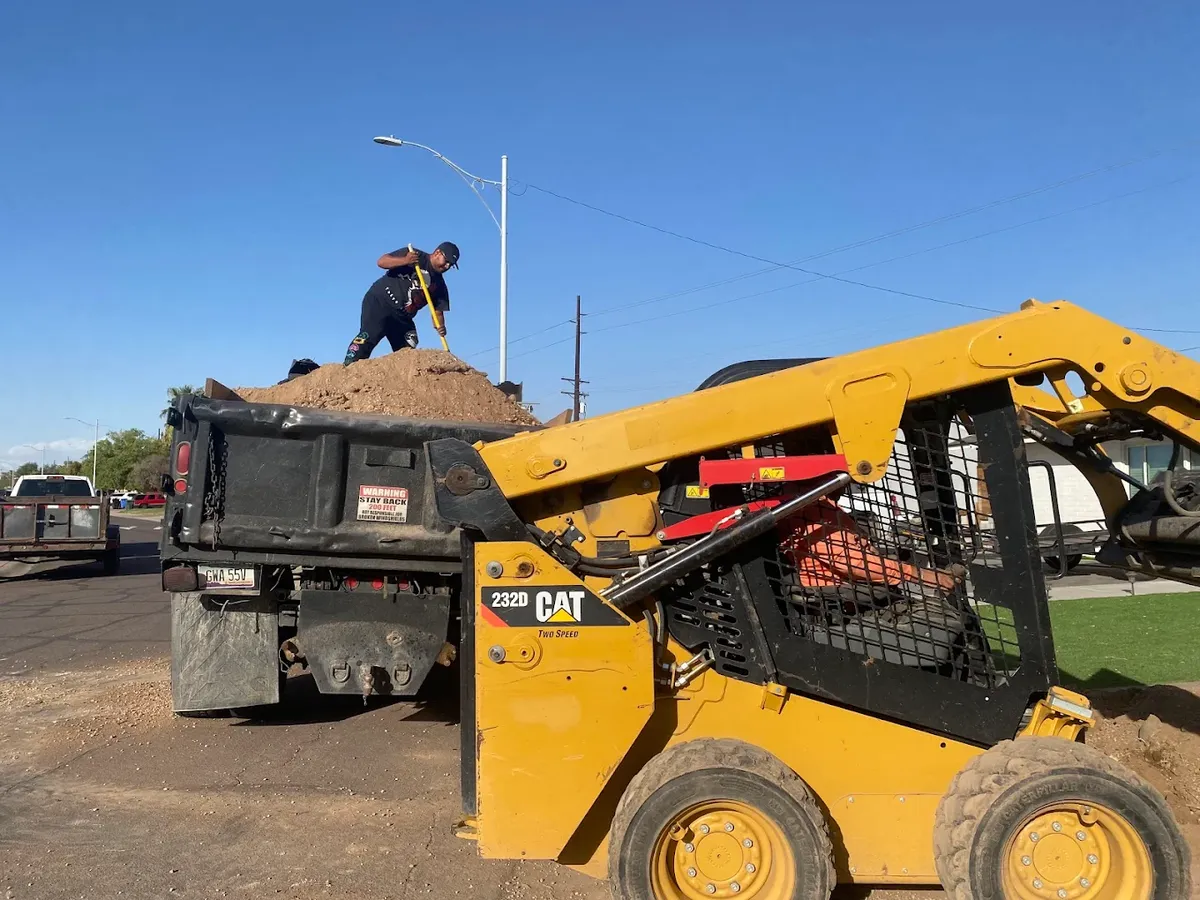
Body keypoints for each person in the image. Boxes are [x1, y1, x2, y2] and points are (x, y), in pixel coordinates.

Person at [344, 241, 460, 365]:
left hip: (402, 317)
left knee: (409, 344)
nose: (447, 266)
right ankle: (349, 367)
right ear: (437, 253)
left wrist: (440, 326)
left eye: (451, 265)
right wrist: (405, 260)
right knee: (370, 334)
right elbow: (381, 262)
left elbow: (438, 312)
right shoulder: (414, 255)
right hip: (380, 301)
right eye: (446, 261)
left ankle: (399, 375)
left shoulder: (439, 286)